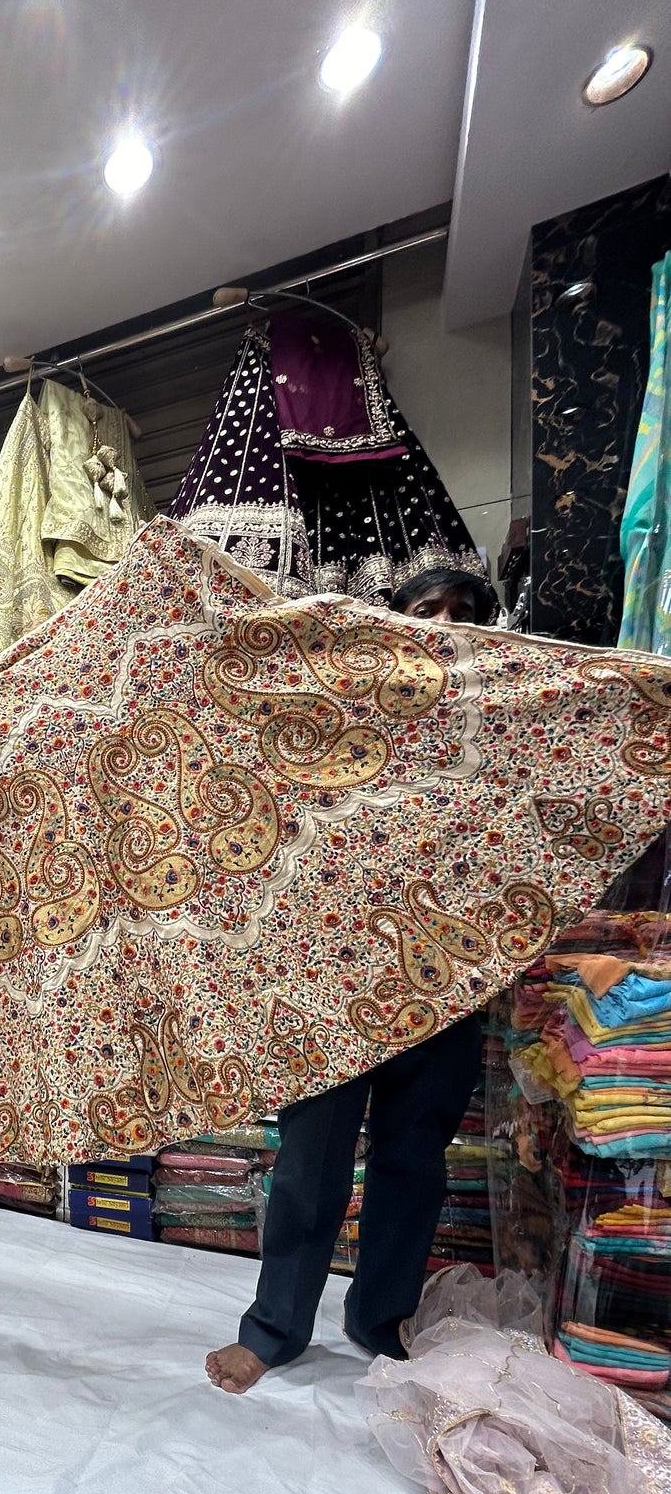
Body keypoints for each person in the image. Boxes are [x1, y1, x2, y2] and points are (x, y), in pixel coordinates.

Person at [205, 563, 498, 1394]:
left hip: (448, 976)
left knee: (414, 1160)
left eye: (460, 611)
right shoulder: (332, 714)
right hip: (334, 976)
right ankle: (274, 1329)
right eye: (424, 608)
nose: (441, 621)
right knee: (311, 1159)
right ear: (389, 621)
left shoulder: (508, 736)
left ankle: (380, 1321)